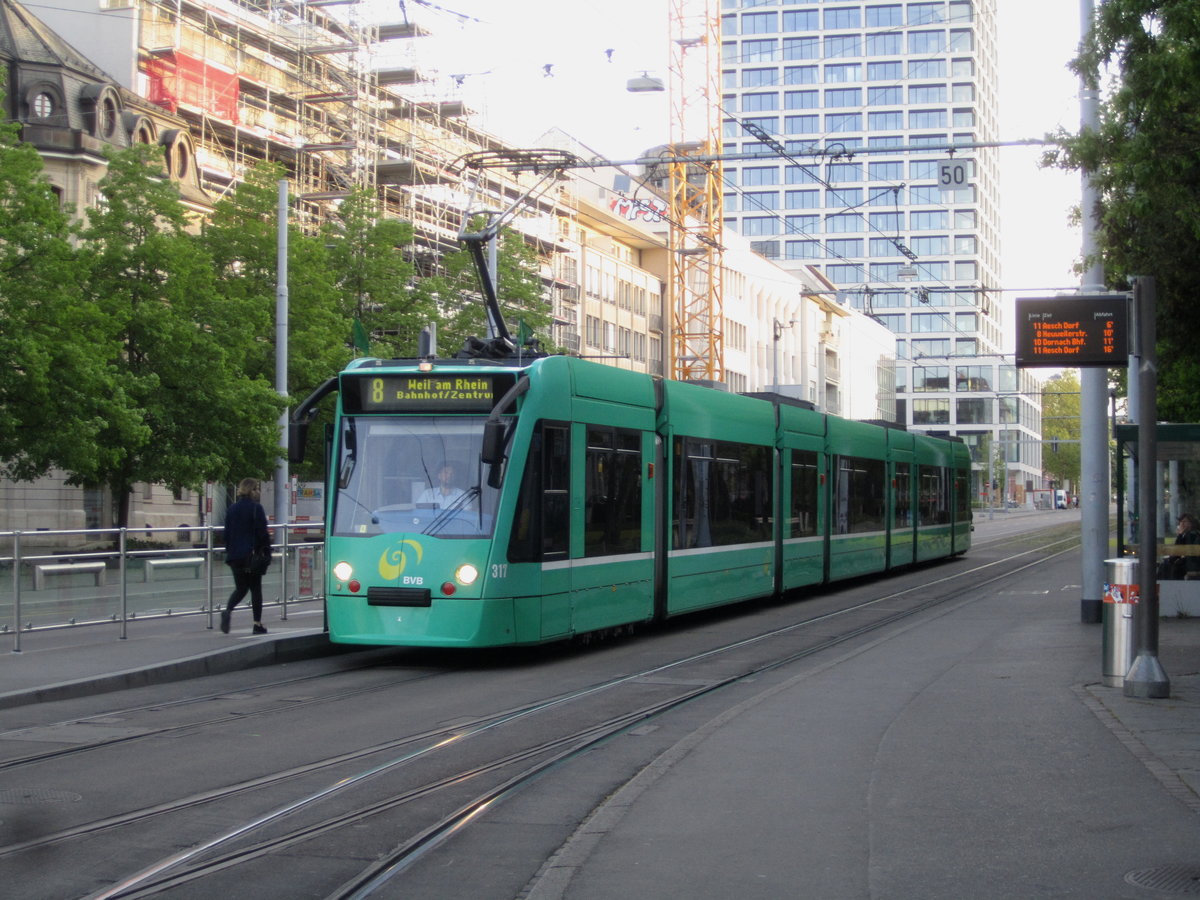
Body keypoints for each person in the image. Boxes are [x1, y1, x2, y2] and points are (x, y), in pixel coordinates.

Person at [221, 477, 271, 634]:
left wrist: (230, 551)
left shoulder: (232, 509)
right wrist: (267, 552)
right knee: (256, 589)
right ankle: (257, 624)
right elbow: (262, 534)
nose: (259, 492)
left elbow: (227, 534)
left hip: (235, 556)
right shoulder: (257, 508)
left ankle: (228, 610)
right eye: (257, 488)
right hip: (252, 556)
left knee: (241, 588)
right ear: (252, 490)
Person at [1164, 513, 1200, 581]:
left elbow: (1177, 550)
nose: (1182, 524)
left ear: (1191, 523)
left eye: (1184, 522)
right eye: (1180, 522)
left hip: (1192, 565)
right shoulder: (1187, 535)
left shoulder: (1192, 535)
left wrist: (1180, 535)